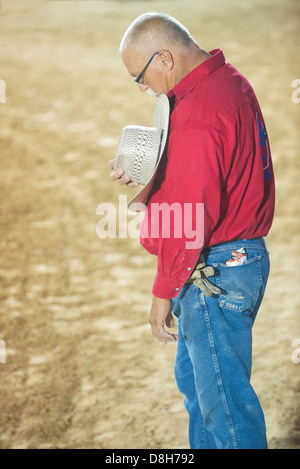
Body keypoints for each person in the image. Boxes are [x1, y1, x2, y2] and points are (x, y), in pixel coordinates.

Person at [108, 12, 275, 450]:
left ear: (164, 58)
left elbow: (189, 219)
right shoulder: (225, 80)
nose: (143, 90)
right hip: (235, 261)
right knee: (204, 395)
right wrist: (155, 174)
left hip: (213, 273)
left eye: (139, 78)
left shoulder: (198, 115)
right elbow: (210, 173)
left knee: (225, 409)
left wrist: (162, 294)